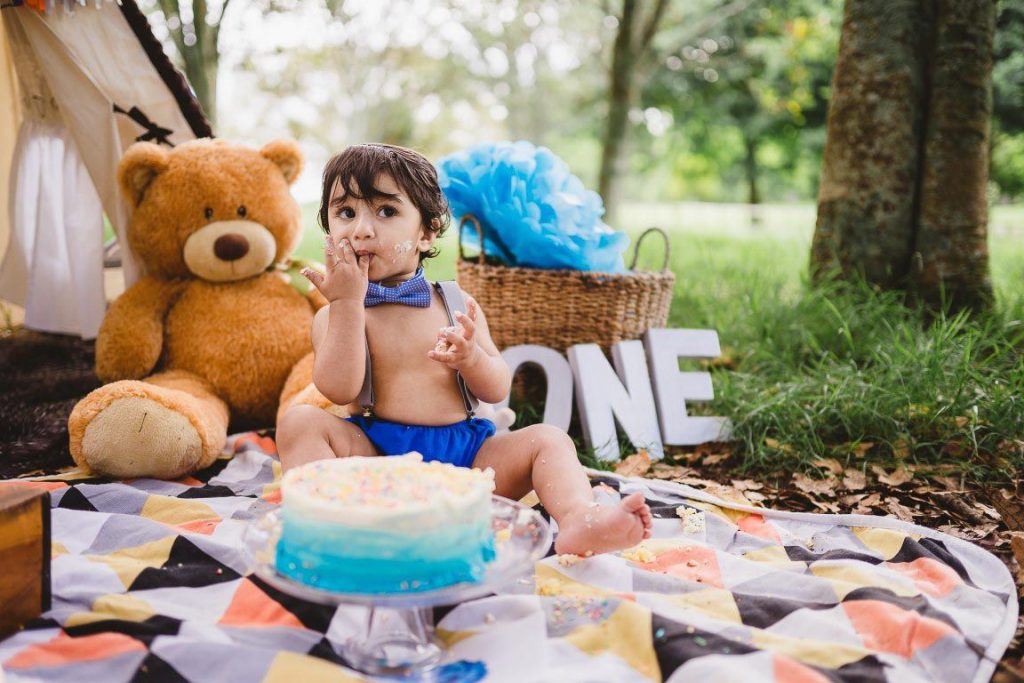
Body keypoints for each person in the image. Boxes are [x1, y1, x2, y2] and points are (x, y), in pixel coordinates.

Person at [276, 143, 651, 555]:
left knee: (548, 440)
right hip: (376, 461)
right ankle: (331, 523)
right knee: (300, 421)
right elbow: (338, 390)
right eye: (346, 212)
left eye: (386, 211)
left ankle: (581, 519)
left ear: (427, 232)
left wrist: (472, 358)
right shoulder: (334, 316)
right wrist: (348, 305)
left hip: (470, 463)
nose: (361, 229)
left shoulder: (456, 305)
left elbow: (495, 389)